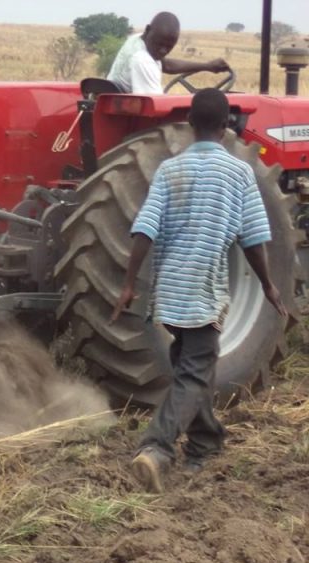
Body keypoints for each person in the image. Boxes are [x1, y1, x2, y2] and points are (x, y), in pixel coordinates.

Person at [110, 88, 288, 493]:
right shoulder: (239, 172)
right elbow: (254, 239)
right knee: (194, 374)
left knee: (192, 367)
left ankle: (205, 443)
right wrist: (268, 284)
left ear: (189, 123)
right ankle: (156, 449)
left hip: (169, 296)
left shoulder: (169, 170)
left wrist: (128, 284)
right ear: (227, 126)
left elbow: (144, 230)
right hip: (204, 293)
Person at [107, 12, 230, 94]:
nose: (163, 51)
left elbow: (167, 65)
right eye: (159, 44)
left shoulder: (136, 40)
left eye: (169, 47)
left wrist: (207, 66)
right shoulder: (143, 60)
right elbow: (156, 107)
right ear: (148, 30)